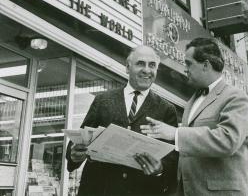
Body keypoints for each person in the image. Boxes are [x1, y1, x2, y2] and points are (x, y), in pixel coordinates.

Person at [141, 37, 248, 196]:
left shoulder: (236, 97)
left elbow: (228, 140)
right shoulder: (191, 102)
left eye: (188, 63)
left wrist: (175, 133)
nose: (185, 69)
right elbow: (188, 149)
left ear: (206, 65)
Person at [66, 45, 178, 196]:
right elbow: (79, 138)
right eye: (140, 63)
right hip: (99, 189)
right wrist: (73, 154)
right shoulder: (103, 100)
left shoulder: (166, 109)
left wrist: (160, 169)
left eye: (152, 65)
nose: (147, 70)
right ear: (127, 67)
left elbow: (172, 158)